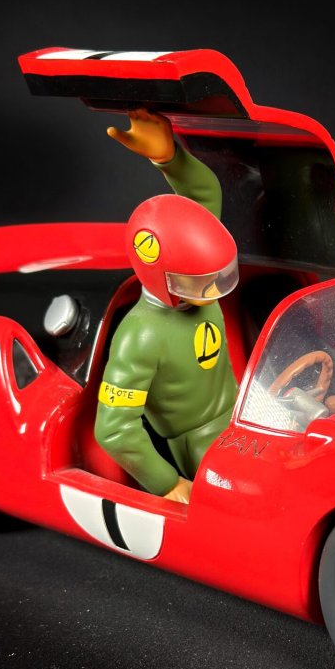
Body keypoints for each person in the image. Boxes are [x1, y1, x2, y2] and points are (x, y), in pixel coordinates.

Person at [94, 109, 239, 503]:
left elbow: (204, 196)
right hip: (197, 441)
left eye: (219, 278)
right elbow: (114, 428)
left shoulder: (197, 277)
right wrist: (168, 483)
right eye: (201, 284)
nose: (213, 291)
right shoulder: (141, 335)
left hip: (242, 411)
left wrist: (168, 158)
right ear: (165, 277)